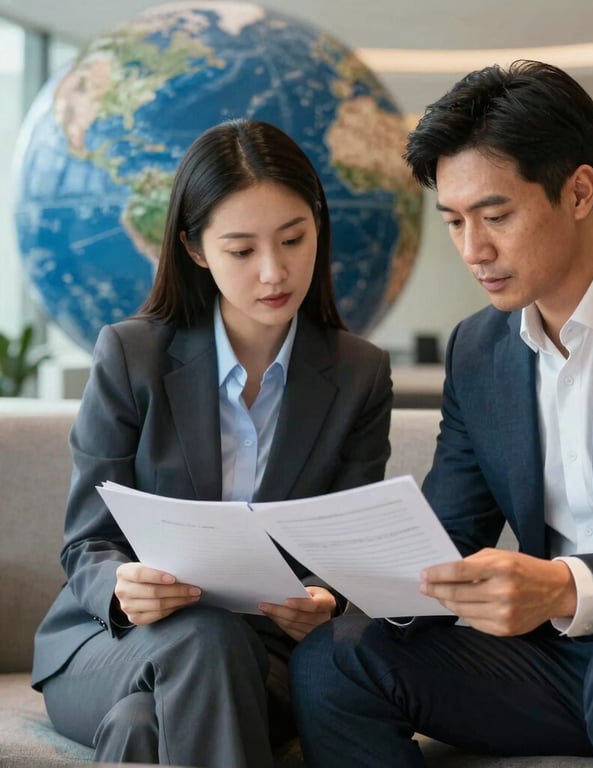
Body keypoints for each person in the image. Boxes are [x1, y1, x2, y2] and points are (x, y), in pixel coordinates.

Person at [289, 60, 593, 768]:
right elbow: (449, 533)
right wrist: (335, 589)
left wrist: (566, 586)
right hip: (552, 666)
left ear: (579, 191)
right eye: (454, 221)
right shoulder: (479, 348)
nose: (473, 251)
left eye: (496, 215)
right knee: (336, 660)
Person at [31, 118, 392, 767]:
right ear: (196, 249)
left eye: (293, 239)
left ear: (318, 227)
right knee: (202, 637)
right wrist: (122, 585)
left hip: (267, 659)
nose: (274, 271)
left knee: (142, 727)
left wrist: (325, 599)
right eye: (241, 249)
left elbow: (347, 549)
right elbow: (88, 542)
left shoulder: (359, 374)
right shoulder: (133, 356)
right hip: (114, 643)